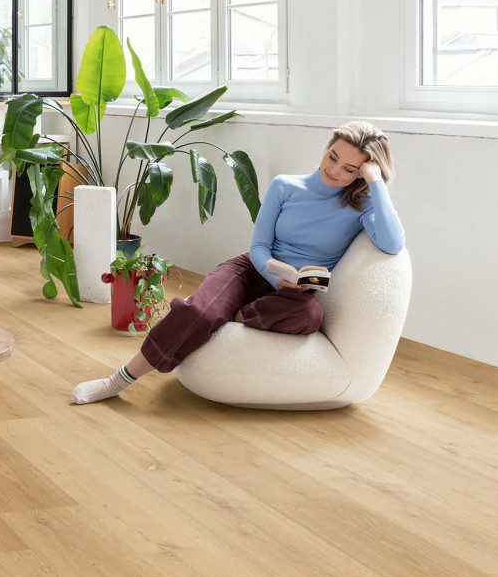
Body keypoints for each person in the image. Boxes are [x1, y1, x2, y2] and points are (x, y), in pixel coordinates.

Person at [73, 121, 405, 404]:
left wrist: (376, 182)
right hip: (253, 270)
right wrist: (275, 277)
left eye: (349, 169)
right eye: (332, 156)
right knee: (198, 312)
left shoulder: (361, 205)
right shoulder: (286, 186)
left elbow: (392, 243)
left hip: (295, 293)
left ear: (362, 174)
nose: (334, 170)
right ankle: (118, 380)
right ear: (326, 147)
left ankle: (236, 315)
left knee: (310, 315)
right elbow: (259, 246)